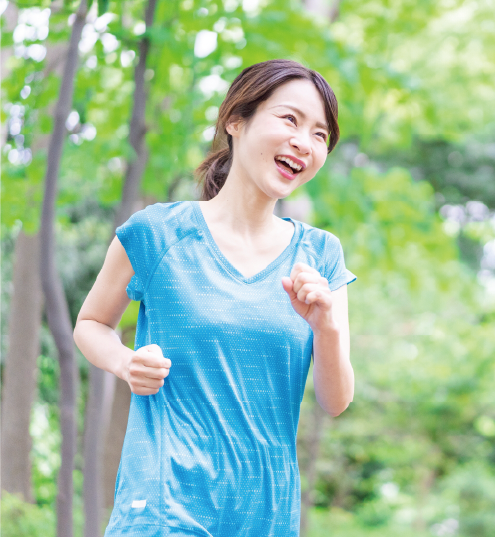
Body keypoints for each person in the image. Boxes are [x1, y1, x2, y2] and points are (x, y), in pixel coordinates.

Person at [73, 59, 356, 537]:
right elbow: (91, 324)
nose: (304, 142)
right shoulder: (156, 233)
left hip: (265, 515)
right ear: (236, 120)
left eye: (320, 134)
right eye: (290, 119)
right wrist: (124, 363)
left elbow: (335, 400)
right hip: (164, 506)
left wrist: (325, 326)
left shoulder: (320, 255)